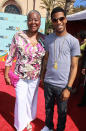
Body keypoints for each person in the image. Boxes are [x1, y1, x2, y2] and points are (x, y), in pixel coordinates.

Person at [41, 7, 80, 131]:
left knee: (62, 113)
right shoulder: (48, 39)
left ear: (66, 20)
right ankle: (49, 127)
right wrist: (42, 77)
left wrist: (69, 87)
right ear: (52, 21)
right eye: (55, 20)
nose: (58, 22)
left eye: (61, 19)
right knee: (48, 109)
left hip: (63, 85)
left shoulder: (73, 41)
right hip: (48, 83)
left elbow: (74, 66)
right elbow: (46, 59)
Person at [4, 10, 45, 131]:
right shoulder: (18, 36)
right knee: (21, 101)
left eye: (36, 19)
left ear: (40, 22)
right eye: (30, 19)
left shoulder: (44, 38)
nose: (33, 22)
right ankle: (20, 126)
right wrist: (6, 74)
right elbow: (11, 55)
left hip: (35, 77)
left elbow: (46, 58)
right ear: (27, 21)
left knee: (30, 101)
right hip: (20, 76)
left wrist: (43, 76)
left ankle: (27, 120)